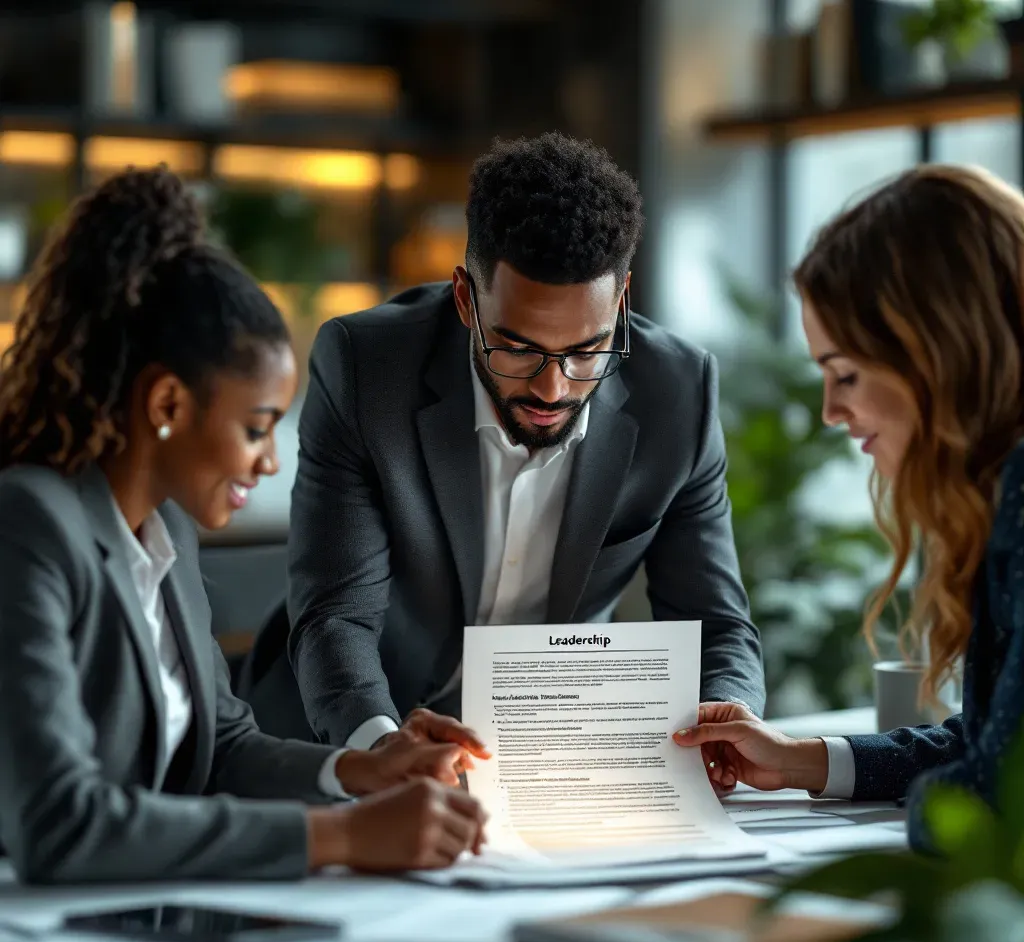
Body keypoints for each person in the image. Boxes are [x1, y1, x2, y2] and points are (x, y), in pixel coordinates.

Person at [0, 166, 489, 885]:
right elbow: (60, 823)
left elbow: (220, 745)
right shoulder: (31, 523)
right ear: (167, 403)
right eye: (257, 429)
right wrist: (343, 835)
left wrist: (362, 770)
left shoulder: (166, 529)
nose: (268, 463)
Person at [286, 131, 765, 756]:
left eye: (587, 350)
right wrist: (381, 752)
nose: (552, 387)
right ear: (465, 298)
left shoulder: (679, 391)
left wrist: (729, 719)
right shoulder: (366, 368)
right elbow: (336, 617)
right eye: (517, 348)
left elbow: (716, 625)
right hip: (356, 736)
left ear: (620, 301)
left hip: (556, 754)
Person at [673, 163, 1024, 851]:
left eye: (846, 374)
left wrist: (942, 797)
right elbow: (992, 743)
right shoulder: (997, 495)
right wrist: (802, 759)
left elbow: (994, 799)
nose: (832, 411)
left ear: (938, 351)